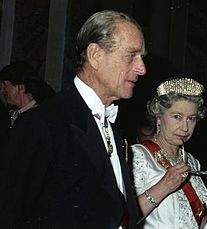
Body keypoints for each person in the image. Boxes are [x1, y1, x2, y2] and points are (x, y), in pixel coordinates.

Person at [0, 10, 146, 228]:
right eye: (131, 56)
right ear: (95, 54)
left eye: (141, 58)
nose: (141, 68)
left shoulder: (112, 126)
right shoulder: (42, 124)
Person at [131, 77, 207, 228]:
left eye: (191, 118)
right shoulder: (137, 155)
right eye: (177, 117)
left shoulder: (192, 161)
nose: (185, 128)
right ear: (159, 116)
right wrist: (164, 186)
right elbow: (125, 217)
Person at [0, 61, 56, 128]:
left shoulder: (38, 118)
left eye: (5, 85)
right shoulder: (11, 116)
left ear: (21, 87)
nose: (2, 91)